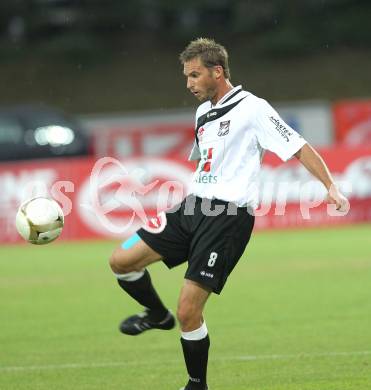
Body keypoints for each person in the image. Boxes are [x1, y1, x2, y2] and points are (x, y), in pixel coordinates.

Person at [109, 38, 348, 390]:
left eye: (194, 75)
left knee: (189, 311)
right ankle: (158, 316)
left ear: (217, 72)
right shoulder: (202, 112)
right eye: (186, 76)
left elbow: (297, 146)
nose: (188, 83)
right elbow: (206, 160)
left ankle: (196, 384)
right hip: (192, 207)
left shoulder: (253, 108)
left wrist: (330, 185)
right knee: (121, 260)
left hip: (227, 217)